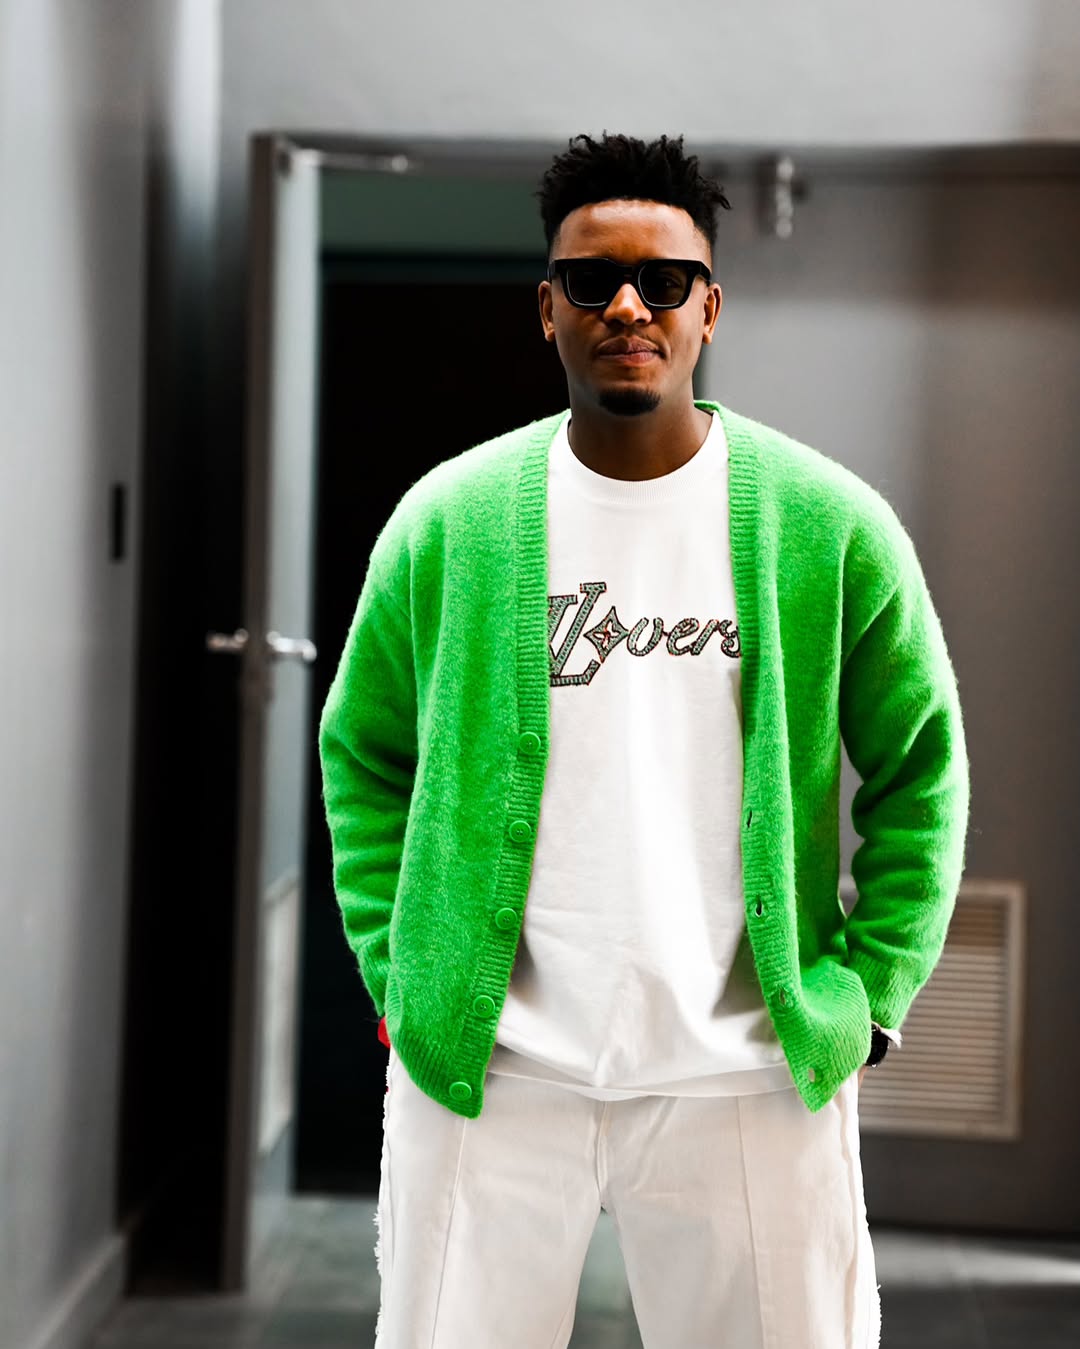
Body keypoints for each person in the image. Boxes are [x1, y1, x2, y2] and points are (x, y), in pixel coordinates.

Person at [318, 131, 969, 1349]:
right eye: (592, 280)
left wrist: (871, 989)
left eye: (664, 280)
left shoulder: (829, 524)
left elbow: (923, 760)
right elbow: (363, 749)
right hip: (494, 1072)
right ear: (547, 310)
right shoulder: (449, 522)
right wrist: (399, 967)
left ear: (708, 306)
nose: (628, 305)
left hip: (749, 1071)